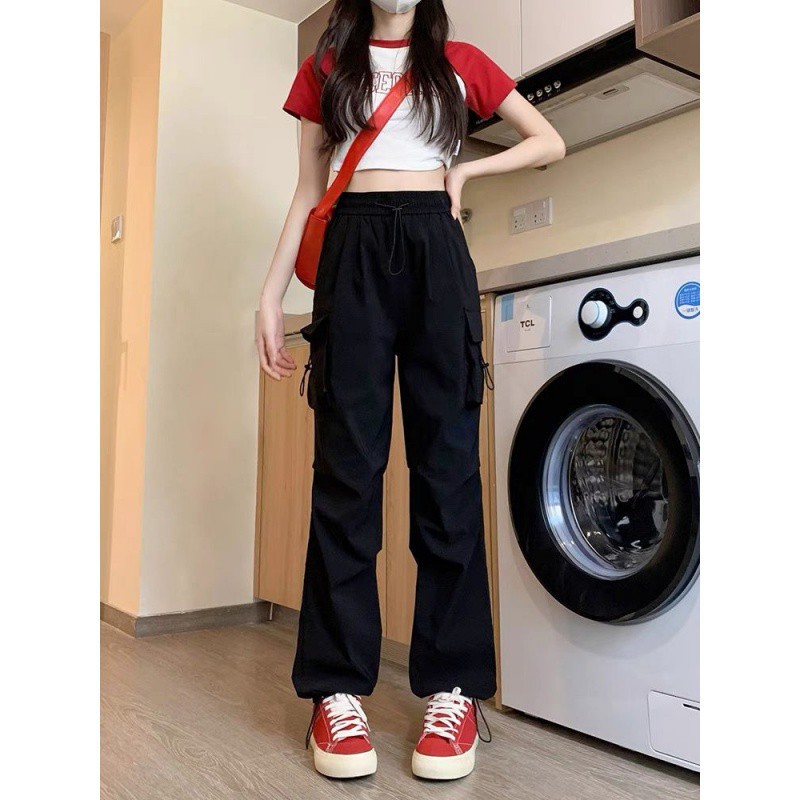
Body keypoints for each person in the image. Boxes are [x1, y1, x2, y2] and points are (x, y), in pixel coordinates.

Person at [257, 0, 565, 781]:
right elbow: (307, 188)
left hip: (436, 247)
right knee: (346, 475)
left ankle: (453, 689)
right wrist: (268, 294)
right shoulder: (327, 68)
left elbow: (548, 139)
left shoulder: (460, 64)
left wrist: (464, 169)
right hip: (352, 250)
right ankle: (334, 691)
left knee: (448, 475)